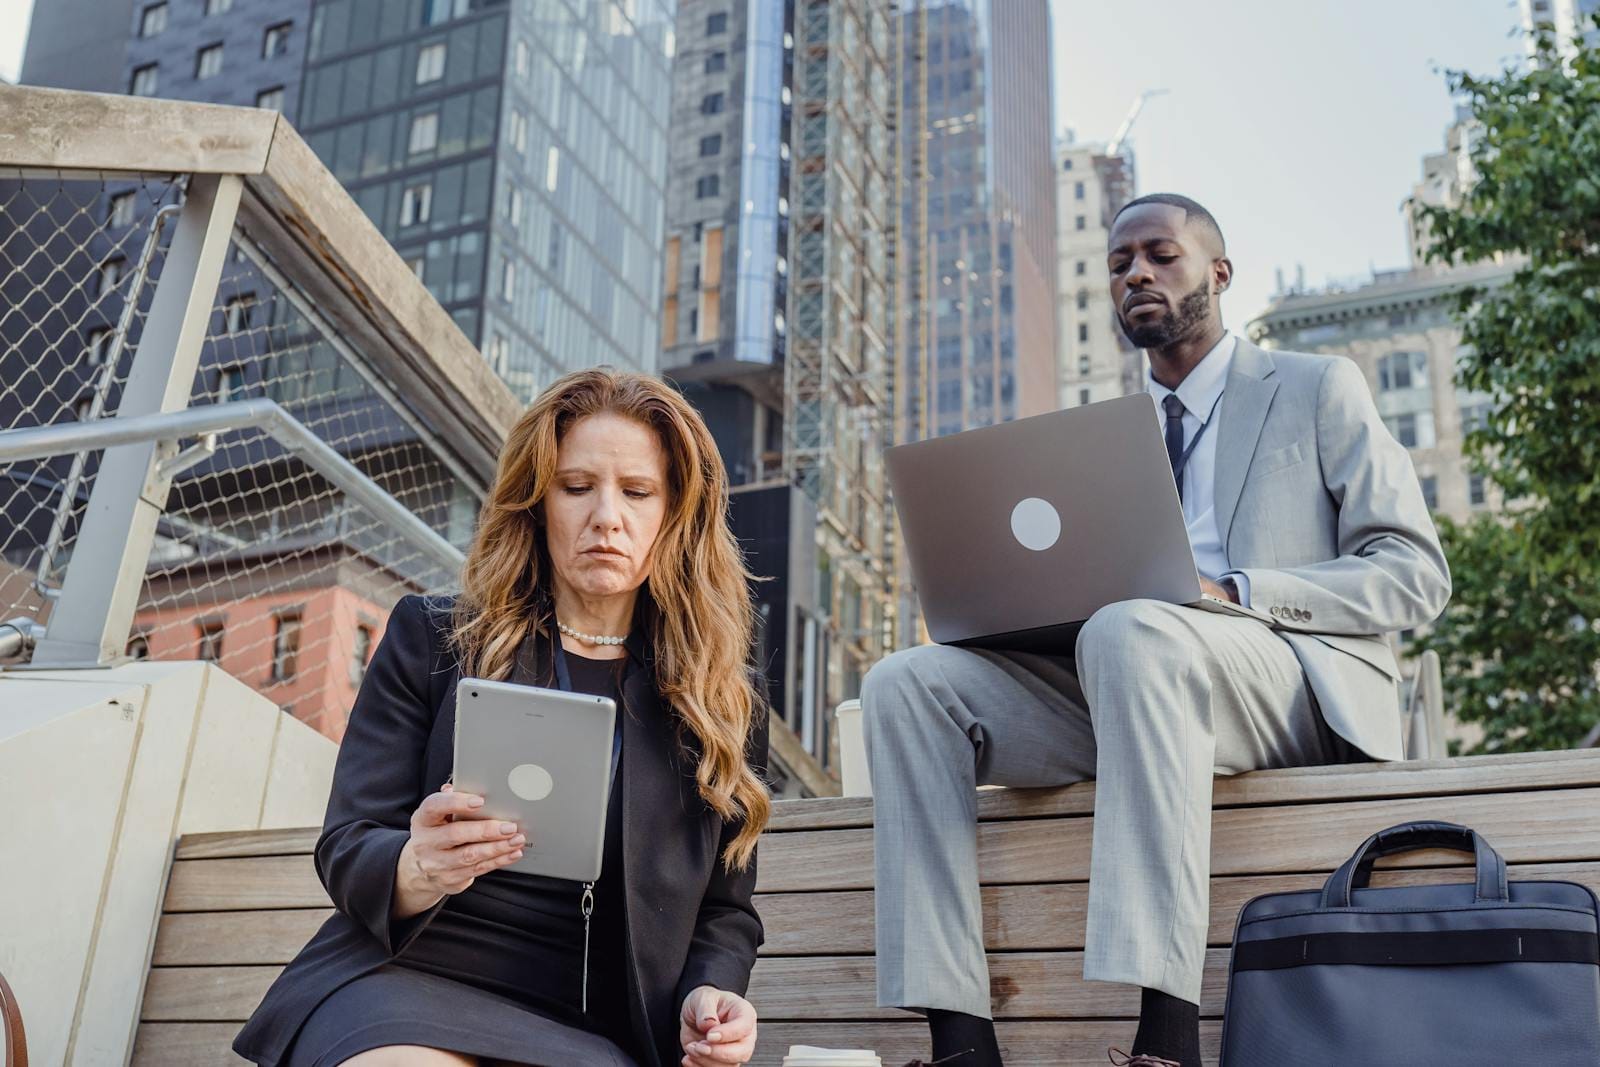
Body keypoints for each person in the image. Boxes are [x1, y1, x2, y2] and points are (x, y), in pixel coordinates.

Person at [861, 194, 1451, 1067]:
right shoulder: (1093, 437)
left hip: (1284, 684)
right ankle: (960, 1041)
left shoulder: (1318, 387)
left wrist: (1238, 589)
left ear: (1218, 272)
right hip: (1125, 673)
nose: (1135, 271)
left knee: (1132, 628)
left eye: (1160, 254)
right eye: (1117, 261)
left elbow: (1415, 571)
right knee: (906, 685)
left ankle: (1166, 1034)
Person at [233, 369, 772, 1067]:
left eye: (636, 491)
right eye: (576, 487)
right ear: (537, 502)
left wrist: (712, 990)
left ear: (674, 514)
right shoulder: (432, 638)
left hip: (596, 1028)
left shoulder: (721, 699)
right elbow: (349, 838)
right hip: (403, 982)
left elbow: (727, 911)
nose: (606, 515)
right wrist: (415, 865)